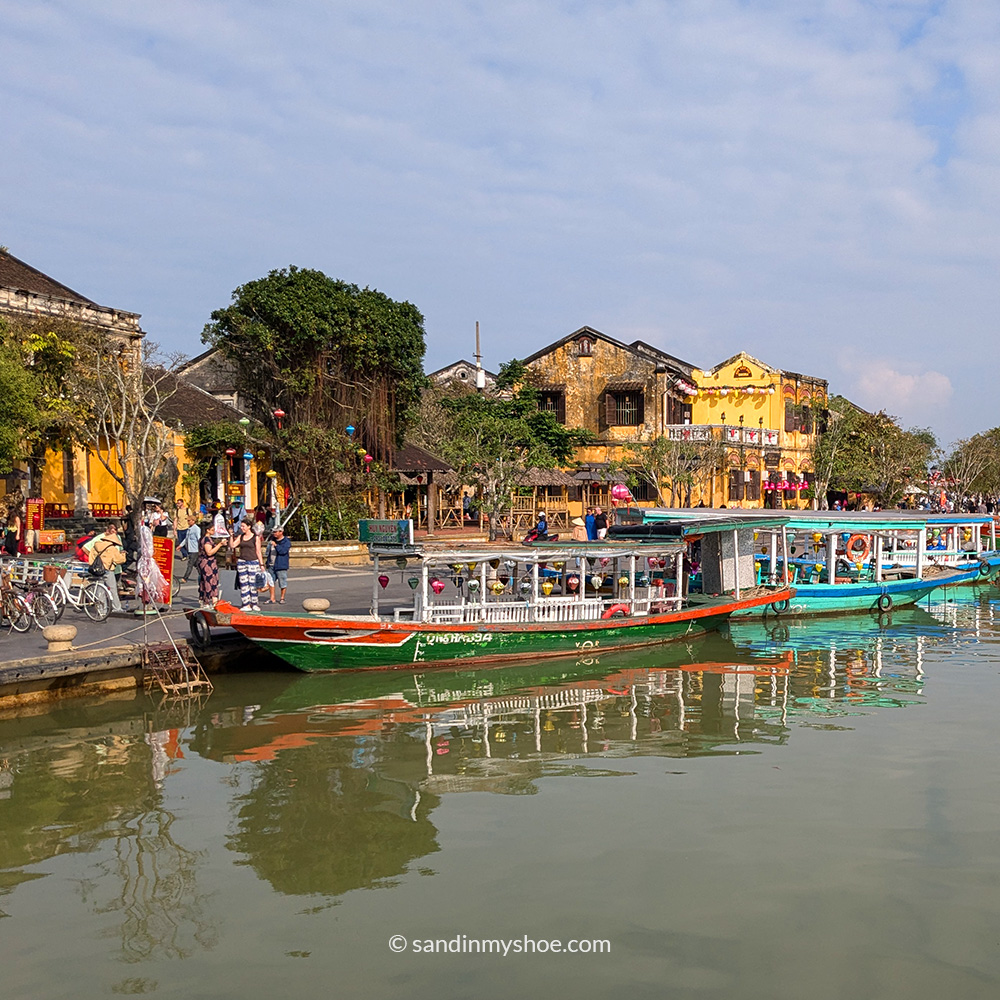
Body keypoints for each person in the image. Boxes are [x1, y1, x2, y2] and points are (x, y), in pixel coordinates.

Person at [89, 521, 127, 612]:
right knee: (112, 589)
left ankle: (102, 610)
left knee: (100, 590)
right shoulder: (112, 549)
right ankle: (116, 608)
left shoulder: (96, 545)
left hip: (97, 570)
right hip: (108, 570)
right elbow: (120, 560)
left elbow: (91, 556)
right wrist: (123, 554)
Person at [230, 517, 264, 612]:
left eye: (243, 526)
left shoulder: (255, 537)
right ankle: (246, 603)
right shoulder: (241, 537)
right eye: (241, 526)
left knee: (253, 584)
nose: (242, 528)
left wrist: (261, 565)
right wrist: (231, 536)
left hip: (253, 561)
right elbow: (233, 545)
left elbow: (258, 551)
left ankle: (254, 603)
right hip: (242, 562)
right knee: (244, 583)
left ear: (249, 527)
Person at [197, 525, 226, 608]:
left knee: (212, 581)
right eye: (212, 530)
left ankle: (214, 602)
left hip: (210, 563)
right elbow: (209, 552)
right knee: (208, 582)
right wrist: (219, 545)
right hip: (207, 563)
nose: (214, 531)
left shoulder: (208, 539)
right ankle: (207, 601)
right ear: (207, 530)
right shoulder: (206, 540)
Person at [267, 525, 292, 604]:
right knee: (270, 582)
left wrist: (276, 545)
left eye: (275, 532)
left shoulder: (286, 541)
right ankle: (272, 598)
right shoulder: (272, 540)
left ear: (281, 532)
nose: (274, 533)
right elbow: (268, 553)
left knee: (282, 582)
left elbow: (283, 551)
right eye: (273, 532)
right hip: (271, 565)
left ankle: (282, 598)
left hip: (281, 565)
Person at [180, 515, 202, 581]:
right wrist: (180, 545)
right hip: (190, 549)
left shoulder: (196, 529)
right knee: (196, 564)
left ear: (193, 521)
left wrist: (200, 548)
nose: (188, 522)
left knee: (190, 564)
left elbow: (199, 539)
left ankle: (185, 578)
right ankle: (203, 575)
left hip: (195, 550)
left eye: (189, 521)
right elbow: (186, 539)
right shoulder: (189, 529)